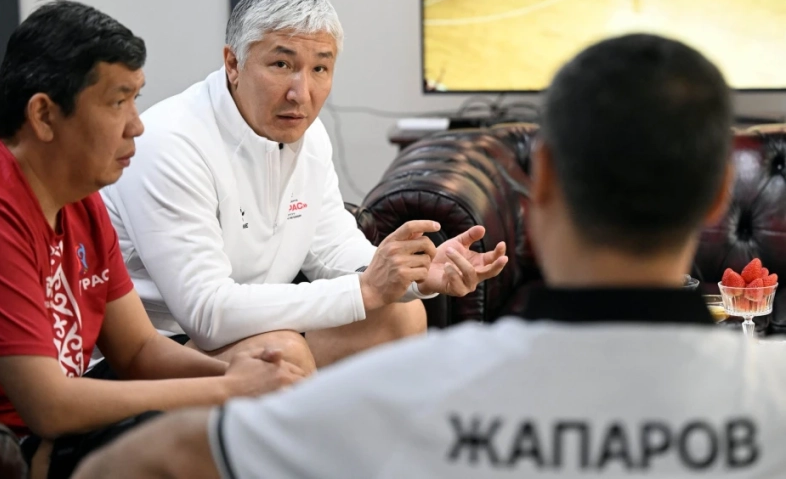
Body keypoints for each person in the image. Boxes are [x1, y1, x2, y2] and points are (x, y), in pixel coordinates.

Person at [76, 34, 786, 479]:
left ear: (539, 181)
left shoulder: (406, 390)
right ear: (720, 192)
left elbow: (143, 462)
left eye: (318, 66)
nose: (301, 88)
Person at [0, 0, 305, 479]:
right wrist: (228, 389)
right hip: (5, 444)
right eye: (117, 102)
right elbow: (49, 406)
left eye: (136, 99)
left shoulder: (78, 193)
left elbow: (137, 351)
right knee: (203, 436)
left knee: (273, 373)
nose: (137, 124)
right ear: (44, 116)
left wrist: (247, 377)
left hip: (63, 418)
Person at [102, 0, 508, 373]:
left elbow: (332, 250)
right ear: (233, 64)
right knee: (282, 356)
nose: (302, 92)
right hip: (155, 350)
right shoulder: (171, 141)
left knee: (401, 315)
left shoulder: (308, 136)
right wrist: (364, 290)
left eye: (320, 68)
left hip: (253, 332)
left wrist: (416, 274)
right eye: (282, 65)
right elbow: (206, 313)